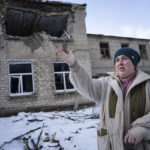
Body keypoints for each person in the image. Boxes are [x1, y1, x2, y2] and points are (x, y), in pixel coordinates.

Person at [56, 47, 150, 150]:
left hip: (139, 145)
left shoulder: (147, 84)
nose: (120, 62)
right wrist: (74, 67)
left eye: (124, 58)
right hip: (110, 144)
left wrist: (140, 130)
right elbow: (87, 86)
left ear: (134, 63)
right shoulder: (106, 83)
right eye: (117, 60)